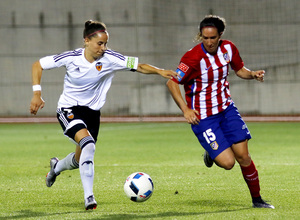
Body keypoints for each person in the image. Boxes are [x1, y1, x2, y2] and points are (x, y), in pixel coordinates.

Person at [30, 20, 177, 210]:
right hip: (69, 109)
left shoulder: (110, 58)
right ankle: (89, 198)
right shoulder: (71, 57)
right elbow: (37, 65)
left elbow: (139, 66)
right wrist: (36, 94)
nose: (103, 48)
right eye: (100, 43)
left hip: (92, 114)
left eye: (105, 43)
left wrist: (160, 71)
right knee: (88, 144)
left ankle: (56, 167)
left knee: (78, 159)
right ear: (86, 41)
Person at [166, 15, 274, 209]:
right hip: (204, 117)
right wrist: (185, 109)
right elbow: (172, 82)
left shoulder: (228, 49)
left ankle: (257, 200)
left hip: (227, 109)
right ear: (201, 36)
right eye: (205, 38)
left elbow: (239, 69)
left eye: (213, 38)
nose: (209, 42)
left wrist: (252, 74)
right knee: (228, 163)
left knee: (243, 156)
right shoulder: (192, 57)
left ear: (220, 36)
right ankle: (212, 153)